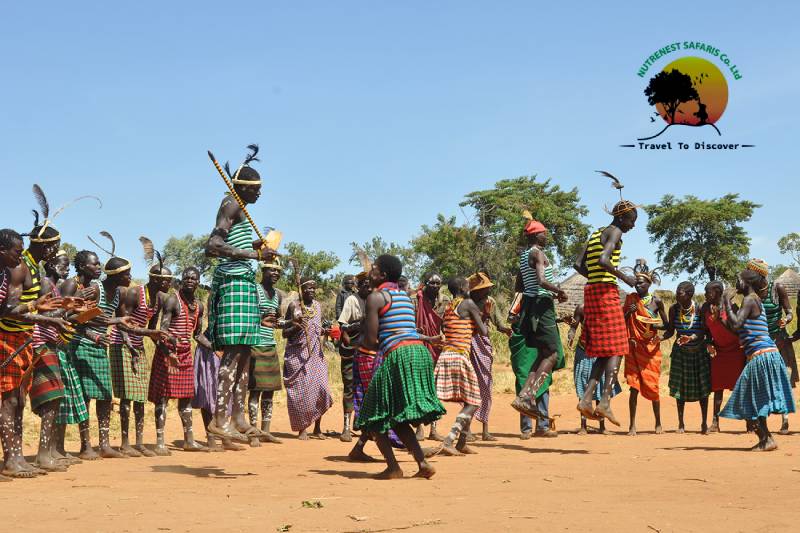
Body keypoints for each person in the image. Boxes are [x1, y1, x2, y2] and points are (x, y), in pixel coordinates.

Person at [204, 146, 275, 442]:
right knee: (234, 354)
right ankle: (220, 419)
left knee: (246, 353)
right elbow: (213, 246)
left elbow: (232, 241)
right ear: (243, 187)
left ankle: (238, 417)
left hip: (245, 283)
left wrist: (255, 247)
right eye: (256, 188)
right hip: (233, 283)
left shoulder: (241, 210)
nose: (260, 193)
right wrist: (254, 255)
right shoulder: (230, 203)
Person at [354, 254, 445, 479]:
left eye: (373, 270)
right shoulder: (404, 296)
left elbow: (372, 341)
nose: (369, 273)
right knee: (398, 416)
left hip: (399, 355)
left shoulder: (376, 297)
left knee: (371, 414)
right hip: (419, 354)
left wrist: (357, 340)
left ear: (382, 275)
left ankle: (394, 468)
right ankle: (422, 463)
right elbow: (405, 329)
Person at [0, 227, 73, 479]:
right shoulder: (19, 268)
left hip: (23, 339)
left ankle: (16, 457)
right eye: (53, 245)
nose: (55, 250)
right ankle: (11, 459)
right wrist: (39, 310)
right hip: (7, 338)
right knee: (10, 400)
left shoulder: (32, 268)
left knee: (17, 400)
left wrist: (49, 314)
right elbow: (8, 308)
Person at [61, 249, 133, 460]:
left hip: (101, 346)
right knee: (85, 397)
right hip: (82, 344)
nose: (130, 277)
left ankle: (104, 444)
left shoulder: (118, 293)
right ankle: (85, 446)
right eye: (127, 274)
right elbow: (82, 318)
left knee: (104, 395)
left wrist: (133, 337)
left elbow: (122, 322)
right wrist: (104, 330)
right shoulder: (94, 289)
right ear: (117, 276)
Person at [573, 198, 638, 426]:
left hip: (591, 291)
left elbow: (578, 265)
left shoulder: (596, 233)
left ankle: (588, 398)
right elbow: (603, 259)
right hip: (605, 292)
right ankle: (605, 401)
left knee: (603, 350)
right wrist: (625, 278)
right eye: (631, 221)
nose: (632, 226)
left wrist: (595, 279)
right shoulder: (615, 232)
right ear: (621, 218)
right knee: (620, 345)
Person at [719, 260, 796, 451]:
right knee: (754, 399)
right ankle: (766, 439)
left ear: (747, 282)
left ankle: (766, 439)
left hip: (761, 356)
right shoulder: (755, 300)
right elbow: (738, 330)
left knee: (744, 400)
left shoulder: (750, 299)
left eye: (738, 281)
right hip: (766, 355)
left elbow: (736, 325)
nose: (736, 285)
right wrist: (723, 312)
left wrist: (727, 302)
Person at [109, 252, 172, 457]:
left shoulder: (160, 299)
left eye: (170, 281)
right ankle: (125, 443)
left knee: (140, 398)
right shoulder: (134, 294)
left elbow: (152, 329)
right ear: (155, 280)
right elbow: (122, 325)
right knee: (127, 397)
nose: (168, 284)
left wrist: (165, 350)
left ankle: (139, 442)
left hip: (138, 346)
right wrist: (132, 349)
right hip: (123, 346)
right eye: (165, 281)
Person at [510, 217, 568, 423]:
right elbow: (543, 281)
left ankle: (525, 395)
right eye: (544, 233)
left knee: (543, 354)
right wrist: (558, 291)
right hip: (542, 305)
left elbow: (520, 285)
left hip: (531, 306)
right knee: (552, 354)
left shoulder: (524, 256)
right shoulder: (537, 253)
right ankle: (529, 396)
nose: (546, 236)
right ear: (536, 235)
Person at [149, 267, 207, 454]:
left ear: (198, 281)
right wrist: (168, 353)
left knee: (186, 398)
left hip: (185, 354)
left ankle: (189, 440)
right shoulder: (173, 300)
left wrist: (216, 348)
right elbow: (161, 332)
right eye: (187, 278)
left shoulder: (199, 306)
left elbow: (197, 335)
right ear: (181, 280)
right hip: (168, 354)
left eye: (194, 278)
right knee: (163, 398)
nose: (190, 280)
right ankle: (159, 442)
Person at [432, 276, 486, 456]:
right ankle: (449, 441)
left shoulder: (448, 307)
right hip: (459, 356)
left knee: (469, 399)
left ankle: (462, 442)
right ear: (463, 287)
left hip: (448, 354)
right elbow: (483, 331)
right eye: (467, 285)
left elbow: (464, 328)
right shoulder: (468, 304)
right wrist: (484, 314)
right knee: (473, 401)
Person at [282, 277, 333, 440]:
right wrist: (296, 325)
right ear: (301, 290)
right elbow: (284, 332)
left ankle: (317, 428)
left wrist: (324, 331)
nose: (311, 291)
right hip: (298, 355)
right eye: (308, 288)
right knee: (302, 392)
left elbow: (317, 329)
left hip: (316, 355)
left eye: (313, 288)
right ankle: (302, 428)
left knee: (321, 389)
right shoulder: (294, 306)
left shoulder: (318, 306)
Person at [623, 261, 667, 436]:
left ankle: (658, 423)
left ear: (649, 284)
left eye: (642, 282)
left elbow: (667, 326)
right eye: (636, 282)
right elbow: (621, 321)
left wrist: (656, 330)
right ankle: (632, 425)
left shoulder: (657, 301)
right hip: (633, 348)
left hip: (651, 350)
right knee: (633, 387)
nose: (638, 285)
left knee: (653, 385)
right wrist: (629, 312)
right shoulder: (630, 300)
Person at [468, 272, 511, 441]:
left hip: (483, 343)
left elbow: (498, 323)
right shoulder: (467, 303)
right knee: (470, 385)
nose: (486, 291)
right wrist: (484, 314)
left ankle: (485, 429)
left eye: (487, 288)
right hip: (469, 341)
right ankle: (467, 429)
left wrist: (506, 330)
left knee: (486, 383)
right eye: (483, 289)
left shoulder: (490, 302)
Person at [663, 281, 711, 434]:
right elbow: (670, 330)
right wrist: (659, 337)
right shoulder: (674, 309)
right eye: (677, 292)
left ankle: (704, 423)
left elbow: (704, 331)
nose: (677, 295)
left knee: (703, 388)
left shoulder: (700, 308)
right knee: (680, 388)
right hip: (680, 353)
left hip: (699, 352)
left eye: (680, 293)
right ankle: (681, 423)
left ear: (689, 294)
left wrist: (691, 338)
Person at [567, 304, 620, 435]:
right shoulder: (581, 309)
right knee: (584, 385)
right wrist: (570, 336)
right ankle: (583, 426)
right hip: (584, 351)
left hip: (600, 350)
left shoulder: (608, 309)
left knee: (601, 385)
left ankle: (602, 426)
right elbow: (573, 327)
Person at [247, 260, 284, 445]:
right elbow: (248, 315)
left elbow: (276, 322)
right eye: (272, 270)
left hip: (270, 345)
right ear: (263, 271)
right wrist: (261, 320)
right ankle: (253, 433)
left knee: (269, 392)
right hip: (255, 344)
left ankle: (266, 431)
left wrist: (286, 323)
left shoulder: (277, 295)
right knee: (255, 391)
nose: (275, 273)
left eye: (278, 271)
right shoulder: (255, 290)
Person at [414, 271, 448, 441]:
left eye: (438, 283)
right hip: (419, 347)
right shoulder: (415, 300)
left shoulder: (445, 301)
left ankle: (434, 429)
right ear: (425, 283)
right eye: (431, 283)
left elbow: (447, 324)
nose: (435, 286)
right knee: (419, 387)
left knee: (434, 389)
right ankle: (419, 427)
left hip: (438, 348)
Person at [337, 271, 371, 443]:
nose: (367, 286)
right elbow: (343, 325)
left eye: (369, 282)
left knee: (366, 388)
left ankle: (364, 425)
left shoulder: (374, 300)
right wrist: (357, 325)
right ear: (358, 285)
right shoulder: (351, 300)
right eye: (364, 283)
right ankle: (346, 427)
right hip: (352, 349)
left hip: (368, 351)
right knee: (349, 386)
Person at [762, 277, 797, 434]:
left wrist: (786, 320)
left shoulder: (777, 288)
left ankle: (785, 420)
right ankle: (761, 422)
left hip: (779, 341)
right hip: (761, 342)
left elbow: (789, 312)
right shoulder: (752, 294)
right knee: (763, 382)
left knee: (782, 380)